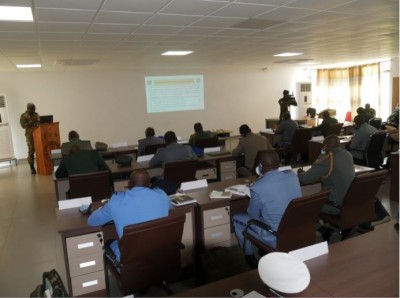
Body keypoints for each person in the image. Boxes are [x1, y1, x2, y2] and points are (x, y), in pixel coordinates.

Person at [232, 150, 301, 267]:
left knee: (236, 218)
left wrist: (260, 180)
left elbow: (253, 215)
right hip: (296, 231)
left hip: (275, 236)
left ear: (259, 166)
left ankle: (249, 257)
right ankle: (264, 250)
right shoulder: (293, 176)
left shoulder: (258, 187)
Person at [87, 169, 172, 263]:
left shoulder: (116, 201)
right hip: (158, 253)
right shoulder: (162, 196)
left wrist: (101, 209)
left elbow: (92, 221)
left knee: (109, 242)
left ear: (129, 184)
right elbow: (169, 206)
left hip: (132, 260)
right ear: (150, 184)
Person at [298, 135, 355, 215]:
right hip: (349, 202)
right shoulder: (348, 154)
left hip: (333, 204)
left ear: (325, 146)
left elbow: (306, 179)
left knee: (304, 203)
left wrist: (300, 173)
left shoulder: (327, 158)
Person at [20, 102, 40, 174]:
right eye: (33, 108)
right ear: (28, 108)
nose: (34, 109)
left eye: (35, 108)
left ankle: (40, 166)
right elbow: (23, 126)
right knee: (31, 150)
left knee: (39, 149)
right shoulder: (24, 115)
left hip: (38, 134)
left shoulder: (36, 114)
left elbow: (39, 122)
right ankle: (32, 167)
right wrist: (32, 121)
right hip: (29, 135)